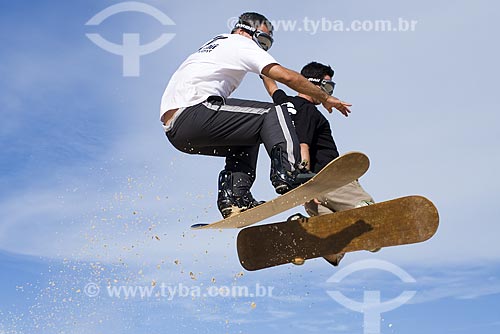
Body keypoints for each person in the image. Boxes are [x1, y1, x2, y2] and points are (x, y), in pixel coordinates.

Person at [160, 13, 353, 219]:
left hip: (177, 131)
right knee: (272, 113)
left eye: (266, 44)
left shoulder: (216, 44)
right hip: (196, 113)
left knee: (247, 135)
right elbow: (286, 76)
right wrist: (324, 97)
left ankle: (235, 198)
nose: (262, 48)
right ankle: (288, 173)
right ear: (244, 30)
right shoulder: (241, 43)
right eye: (262, 40)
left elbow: (267, 76)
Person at [262, 61, 375, 266]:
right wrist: (303, 176)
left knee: (333, 249)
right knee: (373, 225)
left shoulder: (282, 105)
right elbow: (303, 144)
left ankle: (302, 233)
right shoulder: (308, 110)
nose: (328, 93)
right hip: (334, 181)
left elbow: (272, 88)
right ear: (314, 85)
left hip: (310, 192)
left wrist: (261, 69)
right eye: (327, 87)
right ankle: (361, 214)